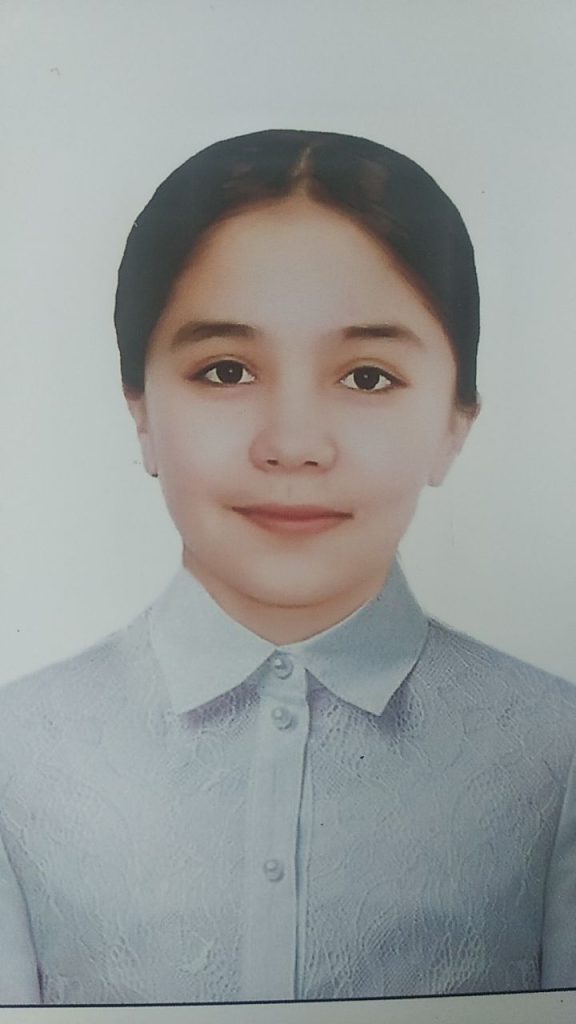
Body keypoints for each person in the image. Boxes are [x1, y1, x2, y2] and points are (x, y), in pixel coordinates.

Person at [1, 129, 575, 1005]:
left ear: (455, 422)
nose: (295, 445)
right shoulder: (20, 755)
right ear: (141, 412)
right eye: (226, 370)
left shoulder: (555, 750)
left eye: (370, 378)